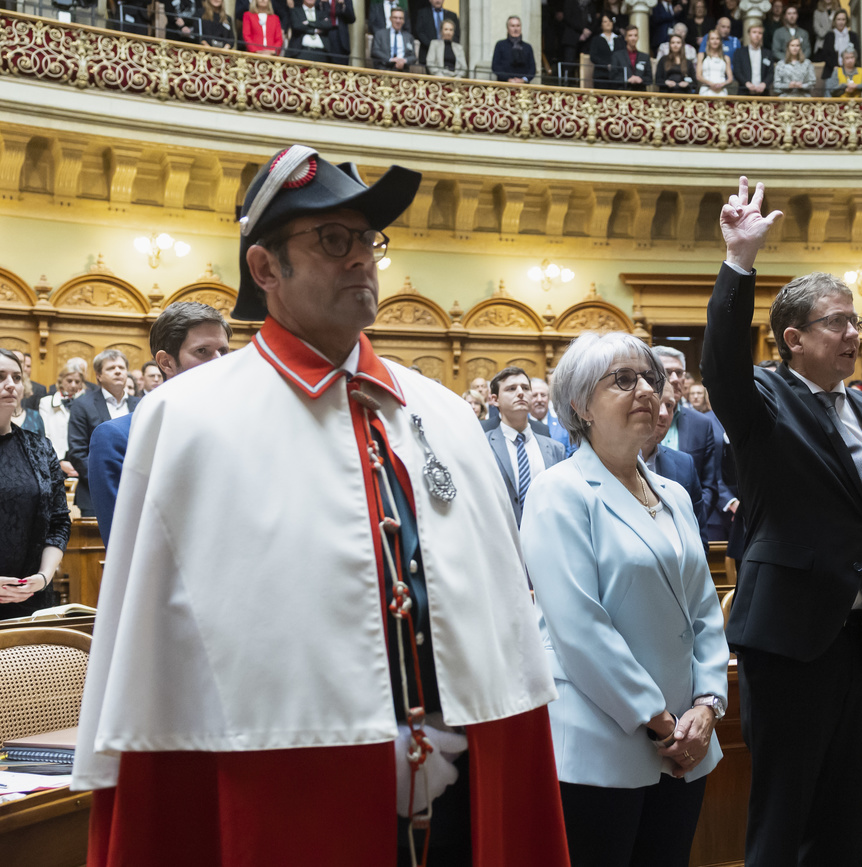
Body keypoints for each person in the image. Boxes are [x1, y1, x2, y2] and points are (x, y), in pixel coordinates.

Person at [72, 146, 569, 867]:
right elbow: (155, 656)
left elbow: (500, 620)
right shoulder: (188, 418)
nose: (361, 259)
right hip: (286, 790)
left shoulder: (442, 413)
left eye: (368, 240)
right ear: (266, 269)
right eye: (333, 240)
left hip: (463, 787)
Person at [703, 178, 862, 867]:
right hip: (789, 638)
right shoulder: (764, 399)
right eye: (839, 322)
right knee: (784, 810)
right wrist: (739, 262)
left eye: (856, 321)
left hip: (858, 642)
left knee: (841, 812)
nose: (855, 334)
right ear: (794, 338)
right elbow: (721, 368)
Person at [520, 330, 729, 867]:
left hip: (687, 741)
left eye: (650, 380)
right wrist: (660, 721)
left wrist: (707, 705)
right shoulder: (559, 491)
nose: (645, 391)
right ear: (579, 404)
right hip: (605, 740)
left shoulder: (675, 493)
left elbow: (704, 610)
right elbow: (578, 627)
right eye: (623, 380)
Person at [86, 302, 232, 546]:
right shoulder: (119, 437)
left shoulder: (235, 429)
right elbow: (126, 545)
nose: (219, 362)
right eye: (203, 351)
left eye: (223, 352)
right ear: (166, 363)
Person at [0, 348, 70, 621]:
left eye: (16, 377)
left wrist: (43, 576)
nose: (10, 384)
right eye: (0, 376)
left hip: (32, 598)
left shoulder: (39, 447)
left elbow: (59, 521)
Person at [650, 345, 722, 537]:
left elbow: (709, 485)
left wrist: (687, 518)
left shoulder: (702, 423)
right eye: (667, 372)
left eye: (679, 372)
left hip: (689, 527)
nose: (674, 379)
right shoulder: (638, 417)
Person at [483, 367, 566, 527]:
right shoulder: (483, 445)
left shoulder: (555, 448)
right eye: (511, 389)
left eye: (526, 388)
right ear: (495, 399)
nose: (520, 392)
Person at [66, 349, 140, 517]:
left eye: (121, 367)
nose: (118, 371)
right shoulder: (82, 405)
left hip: (137, 493)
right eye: (111, 368)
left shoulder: (141, 404)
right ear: (98, 375)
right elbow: (77, 453)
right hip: (96, 493)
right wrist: (108, 482)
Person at [641, 382, 707, 549]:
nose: (663, 413)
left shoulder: (684, 464)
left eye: (669, 405)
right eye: (656, 402)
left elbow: (699, 541)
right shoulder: (609, 462)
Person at [38, 363, 84, 475]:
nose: (73, 385)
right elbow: (45, 435)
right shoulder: (47, 402)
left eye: (77, 382)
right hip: (54, 460)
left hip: (78, 462)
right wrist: (58, 462)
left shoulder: (84, 404)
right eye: (69, 381)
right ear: (61, 381)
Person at [530, 376, 573, 454]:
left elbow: (572, 453)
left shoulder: (564, 425)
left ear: (549, 398)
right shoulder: (521, 425)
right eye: (534, 395)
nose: (539, 399)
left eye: (543, 395)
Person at [492, 16, 538, 83]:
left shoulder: (527, 47)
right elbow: (495, 66)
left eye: (518, 26)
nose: (515, 29)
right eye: (512, 26)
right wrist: (509, 79)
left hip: (524, 87)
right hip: (504, 86)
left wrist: (523, 80)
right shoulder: (500, 45)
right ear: (507, 28)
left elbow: (532, 69)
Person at [733, 23, 774, 95]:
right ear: (749, 34)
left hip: (763, 93)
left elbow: (771, 72)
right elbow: (737, 71)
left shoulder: (768, 53)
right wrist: (746, 83)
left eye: (760, 33)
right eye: (754, 32)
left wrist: (764, 84)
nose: (757, 35)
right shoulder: (740, 52)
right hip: (744, 92)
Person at [817, 9, 858, 81]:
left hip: (849, 72)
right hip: (831, 72)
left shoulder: (852, 36)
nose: (841, 22)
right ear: (834, 21)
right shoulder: (829, 36)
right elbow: (825, 54)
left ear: (846, 21)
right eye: (838, 19)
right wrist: (835, 67)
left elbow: (857, 53)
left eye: (843, 19)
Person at [561, 0, 594, 85]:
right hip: (572, 36)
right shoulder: (569, 2)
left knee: (586, 63)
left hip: (587, 38)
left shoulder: (591, 3)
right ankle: (567, 85)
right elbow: (568, 17)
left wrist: (588, 31)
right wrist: (582, 30)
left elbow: (594, 20)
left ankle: (585, 86)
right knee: (569, 64)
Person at [612, 25, 652, 90]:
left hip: (640, 93)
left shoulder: (645, 57)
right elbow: (613, 76)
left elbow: (649, 79)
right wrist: (627, 80)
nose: (633, 38)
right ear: (625, 38)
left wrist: (640, 79)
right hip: (622, 93)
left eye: (635, 35)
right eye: (630, 35)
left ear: (638, 37)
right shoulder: (617, 55)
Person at [590, 12, 624, 86]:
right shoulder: (596, 39)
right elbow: (593, 56)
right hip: (601, 75)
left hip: (618, 76)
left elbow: (623, 55)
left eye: (610, 21)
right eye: (605, 21)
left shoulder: (619, 39)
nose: (608, 23)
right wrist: (606, 65)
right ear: (601, 24)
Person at [695, 29, 732, 95]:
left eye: (717, 39)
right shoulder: (701, 55)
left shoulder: (726, 58)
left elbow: (730, 78)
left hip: (721, 91)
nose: (715, 41)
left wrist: (722, 84)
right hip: (706, 90)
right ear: (708, 41)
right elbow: (698, 76)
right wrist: (711, 84)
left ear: (720, 41)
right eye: (712, 39)